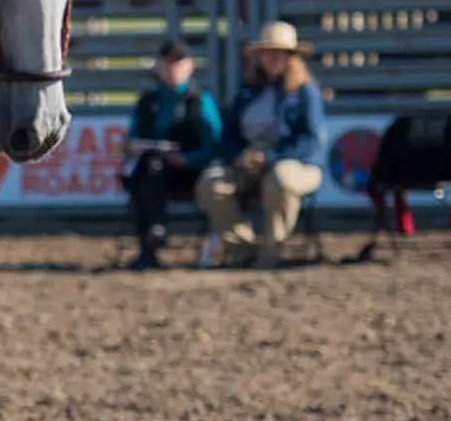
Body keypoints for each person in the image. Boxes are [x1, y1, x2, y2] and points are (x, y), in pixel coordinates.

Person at [195, 22, 327, 269]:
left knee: (279, 179)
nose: (273, 58)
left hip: (297, 164)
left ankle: (271, 250)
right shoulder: (248, 92)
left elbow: (310, 139)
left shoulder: (305, 92)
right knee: (211, 184)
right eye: (267, 52)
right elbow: (229, 135)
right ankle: (241, 247)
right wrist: (237, 157)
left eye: (279, 52)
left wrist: (271, 159)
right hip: (249, 162)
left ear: (291, 56)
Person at [118, 39, 221, 270]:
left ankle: (154, 235)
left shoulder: (200, 101)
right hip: (151, 171)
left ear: (190, 66)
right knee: (148, 167)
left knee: (149, 171)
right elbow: (131, 137)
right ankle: (152, 236)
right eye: (167, 63)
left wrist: (188, 159)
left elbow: (213, 144)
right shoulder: (147, 102)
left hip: (188, 172)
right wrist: (133, 146)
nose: (172, 68)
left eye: (178, 62)